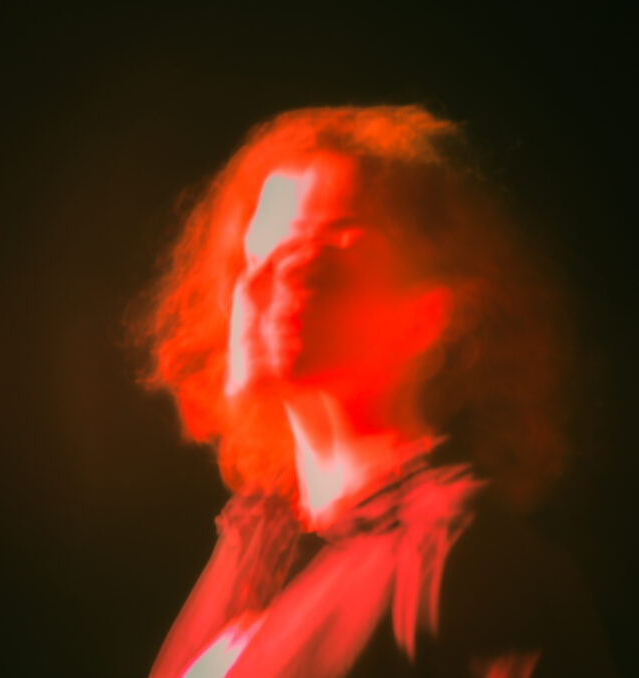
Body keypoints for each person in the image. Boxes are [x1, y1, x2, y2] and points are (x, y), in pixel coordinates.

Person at [132, 107, 614, 677]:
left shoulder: (467, 564)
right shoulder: (255, 541)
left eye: (316, 261)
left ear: (429, 314)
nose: (258, 285)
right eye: (254, 256)